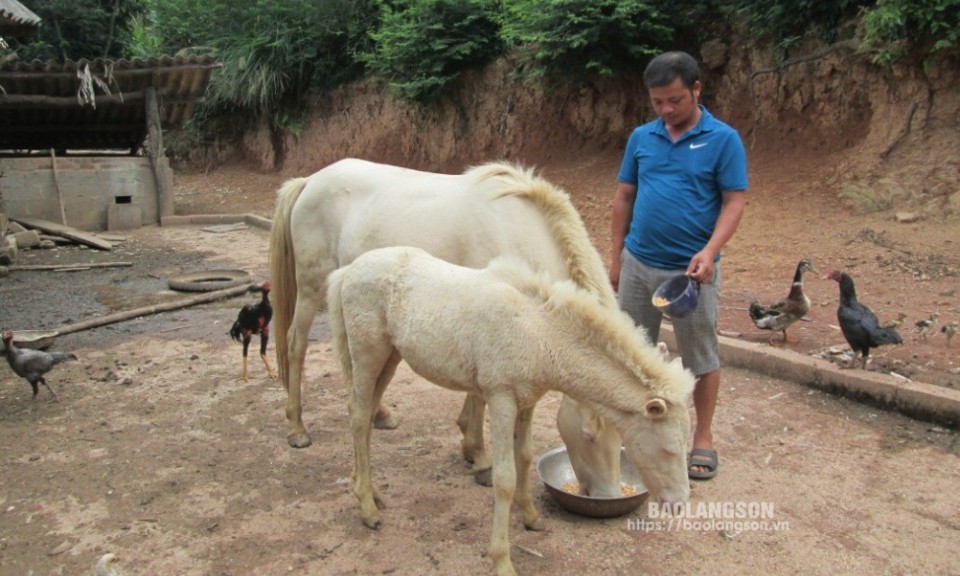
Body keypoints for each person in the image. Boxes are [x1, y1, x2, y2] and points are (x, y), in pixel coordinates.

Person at [609, 51, 747, 480]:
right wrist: (615, 258)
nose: (666, 111)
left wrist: (710, 252)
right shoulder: (641, 138)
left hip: (691, 276)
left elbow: (734, 201)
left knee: (699, 356)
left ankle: (702, 438)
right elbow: (624, 197)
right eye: (657, 103)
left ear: (696, 90)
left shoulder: (724, 139)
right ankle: (638, 434)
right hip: (638, 263)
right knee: (633, 355)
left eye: (675, 101)